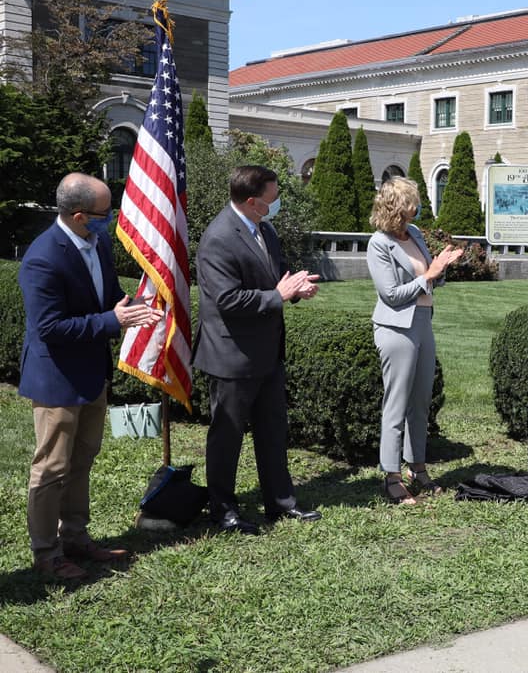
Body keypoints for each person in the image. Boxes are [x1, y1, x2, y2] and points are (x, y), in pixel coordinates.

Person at [18, 173, 163, 579]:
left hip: (91, 374)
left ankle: (75, 537)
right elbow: (50, 328)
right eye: (105, 213)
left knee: (82, 460)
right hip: (57, 378)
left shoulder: (96, 244)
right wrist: (111, 320)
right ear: (80, 215)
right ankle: (46, 555)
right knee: (51, 468)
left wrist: (134, 308)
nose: (111, 220)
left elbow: (108, 299)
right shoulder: (43, 257)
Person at [193, 165, 321, 534]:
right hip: (231, 354)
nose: (277, 202)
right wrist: (278, 295)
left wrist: (295, 290)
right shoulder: (218, 237)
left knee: (272, 430)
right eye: (272, 198)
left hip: (266, 352)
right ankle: (223, 510)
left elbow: (277, 279)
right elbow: (226, 300)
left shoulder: (265, 229)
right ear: (252, 202)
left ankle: (280, 502)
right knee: (227, 435)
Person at [366, 177, 462, 504]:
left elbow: (431, 278)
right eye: (413, 201)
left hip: (423, 323)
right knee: (397, 403)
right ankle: (391, 476)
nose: (418, 206)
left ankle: (417, 468)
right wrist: (430, 275)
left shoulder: (416, 234)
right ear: (397, 205)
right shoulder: (378, 243)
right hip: (396, 327)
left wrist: (443, 267)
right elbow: (391, 295)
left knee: (421, 401)